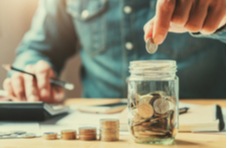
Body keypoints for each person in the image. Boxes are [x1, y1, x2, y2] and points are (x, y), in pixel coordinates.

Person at [2, 0, 226, 103]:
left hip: (204, 127)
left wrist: (223, 18)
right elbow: (37, 49)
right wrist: (31, 72)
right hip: (98, 129)